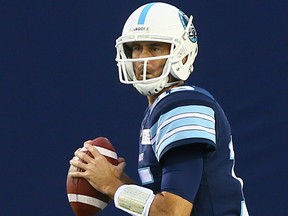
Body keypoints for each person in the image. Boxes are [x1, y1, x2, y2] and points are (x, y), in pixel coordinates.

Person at [69, 2, 249, 216]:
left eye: (154, 47)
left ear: (182, 54)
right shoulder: (159, 109)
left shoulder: (183, 104)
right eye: (136, 48)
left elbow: (173, 212)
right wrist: (116, 180)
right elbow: (159, 205)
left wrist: (112, 185)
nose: (143, 58)